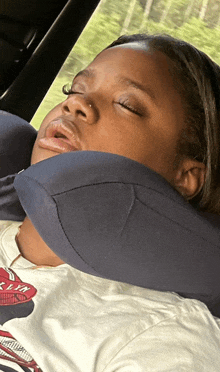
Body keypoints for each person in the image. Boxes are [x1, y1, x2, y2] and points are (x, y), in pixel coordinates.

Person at [0, 33, 220, 371]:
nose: (76, 104)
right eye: (74, 90)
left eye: (127, 105)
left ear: (184, 177)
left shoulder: (166, 334)